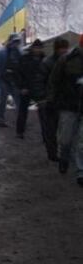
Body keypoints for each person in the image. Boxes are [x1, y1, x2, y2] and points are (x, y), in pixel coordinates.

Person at [48, 35, 83, 185]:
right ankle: (64, 157)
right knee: (66, 138)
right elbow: (54, 81)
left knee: (82, 141)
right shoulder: (66, 60)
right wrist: (51, 100)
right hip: (68, 105)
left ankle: (81, 171)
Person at [38, 38, 71, 161]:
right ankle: (52, 154)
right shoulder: (48, 63)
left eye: (65, 48)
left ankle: (62, 154)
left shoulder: (69, 62)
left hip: (64, 101)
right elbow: (40, 81)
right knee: (51, 130)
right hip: (51, 101)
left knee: (64, 130)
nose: (64, 51)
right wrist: (42, 98)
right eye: (62, 48)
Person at [15, 39, 45, 139]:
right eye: (36, 48)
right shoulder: (25, 59)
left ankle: (46, 134)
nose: (37, 50)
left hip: (39, 89)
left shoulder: (44, 60)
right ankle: (20, 131)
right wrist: (22, 87)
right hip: (26, 88)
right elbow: (19, 73)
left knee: (44, 113)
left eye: (39, 48)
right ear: (32, 48)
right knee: (23, 111)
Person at [0, 34, 22, 127]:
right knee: (2, 100)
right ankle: (0, 119)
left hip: (14, 80)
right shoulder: (1, 53)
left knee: (18, 100)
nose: (16, 44)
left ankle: (20, 120)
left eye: (17, 42)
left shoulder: (19, 53)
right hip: (3, 79)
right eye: (14, 41)